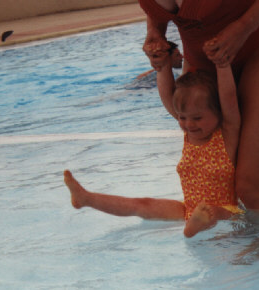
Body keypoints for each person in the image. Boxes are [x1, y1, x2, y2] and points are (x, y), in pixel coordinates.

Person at [64, 46, 243, 238]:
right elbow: (167, 95)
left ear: (217, 113)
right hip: (188, 209)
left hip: (226, 211)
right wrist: (162, 66)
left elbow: (229, 99)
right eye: (182, 118)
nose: (189, 124)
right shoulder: (190, 136)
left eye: (197, 118)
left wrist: (222, 66)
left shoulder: (226, 134)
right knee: (142, 205)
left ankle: (195, 227)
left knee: (215, 212)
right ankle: (86, 198)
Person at [139, 0, 259, 210]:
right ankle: (238, 241)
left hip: (257, 44)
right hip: (202, 60)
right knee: (217, 187)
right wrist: (155, 32)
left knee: (252, 187)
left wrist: (243, 27)